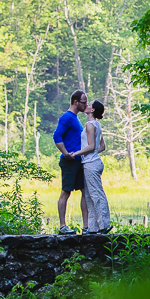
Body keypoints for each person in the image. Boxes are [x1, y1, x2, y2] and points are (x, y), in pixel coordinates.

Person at [52, 90, 88, 234]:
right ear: (75, 102)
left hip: (79, 160)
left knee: (85, 192)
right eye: (83, 102)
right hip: (69, 162)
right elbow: (57, 136)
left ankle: (86, 226)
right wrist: (65, 153)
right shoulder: (66, 117)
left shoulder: (75, 118)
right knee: (66, 192)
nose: (85, 105)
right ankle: (62, 226)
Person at [75, 100, 111, 234]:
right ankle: (93, 227)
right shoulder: (97, 125)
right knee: (90, 196)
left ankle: (104, 225)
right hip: (94, 162)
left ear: (93, 110)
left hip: (90, 164)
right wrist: (92, 153)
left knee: (95, 194)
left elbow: (91, 146)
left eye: (89, 105)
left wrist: (76, 154)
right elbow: (101, 146)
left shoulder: (90, 125)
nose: (87, 106)